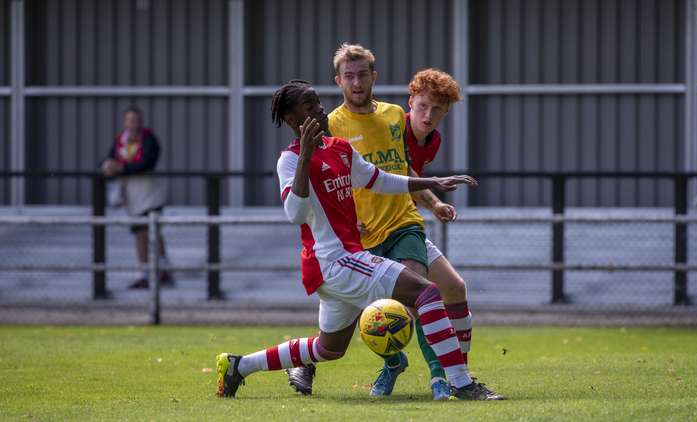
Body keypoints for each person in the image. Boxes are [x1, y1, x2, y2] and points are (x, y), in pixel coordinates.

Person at [215, 80, 500, 400]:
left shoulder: (339, 148)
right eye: (311, 107)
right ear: (295, 120)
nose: (321, 110)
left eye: (319, 103)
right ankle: (460, 383)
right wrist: (306, 156)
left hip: (345, 261)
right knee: (427, 293)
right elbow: (295, 213)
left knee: (328, 348)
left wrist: (433, 182)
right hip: (334, 262)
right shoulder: (290, 160)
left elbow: (380, 179)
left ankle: (239, 366)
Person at [287, 44, 490, 400]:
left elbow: (396, 169)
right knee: (365, 320)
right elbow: (318, 177)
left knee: (444, 289)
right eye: (349, 76)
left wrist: (432, 201)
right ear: (339, 81)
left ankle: (447, 374)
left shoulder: (395, 116)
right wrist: (344, 219)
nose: (357, 82)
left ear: (374, 77)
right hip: (359, 237)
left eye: (363, 74)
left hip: (402, 223)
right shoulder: (330, 123)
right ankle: (377, 363)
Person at [100, 106, 173, 289]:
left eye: (136, 119)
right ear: (125, 122)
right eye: (129, 120)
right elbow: (109, 159)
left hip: (150, 193)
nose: (133, 123)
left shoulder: (148, 138)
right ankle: (144, 273)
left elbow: (147, 162)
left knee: (152, 231)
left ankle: (163, 269)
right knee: (139, 234)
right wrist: (107, 166)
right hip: (132, 196)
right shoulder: (120, 141)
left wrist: (122, 169)